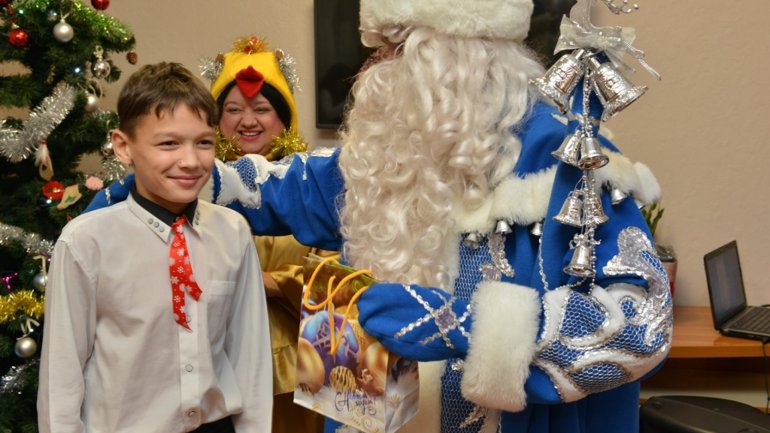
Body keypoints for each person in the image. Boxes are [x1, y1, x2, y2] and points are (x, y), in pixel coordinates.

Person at [87, 1, 672, 432]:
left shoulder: (570, 159)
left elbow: (641, 322)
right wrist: (128, 195)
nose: (373, 67)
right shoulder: (383, 158)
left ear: (459, 61)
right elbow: (261, 186)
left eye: (394, 50)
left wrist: (462, 326)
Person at [38, 62, 272, 433]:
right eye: (168, 143)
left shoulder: (233, 232)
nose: (191, 161)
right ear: (123, 146)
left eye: (204, 143)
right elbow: (61, 381)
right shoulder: (86, 242)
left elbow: (250, 357)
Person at [206, 36, 330, 433]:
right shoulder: (192, 184)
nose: (248, 121)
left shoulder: (312, 185)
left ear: (284, 117)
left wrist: (273, 283)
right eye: (233, 109)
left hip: (298, 363)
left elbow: (337, 271)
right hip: (213, 361)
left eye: (262, 108)